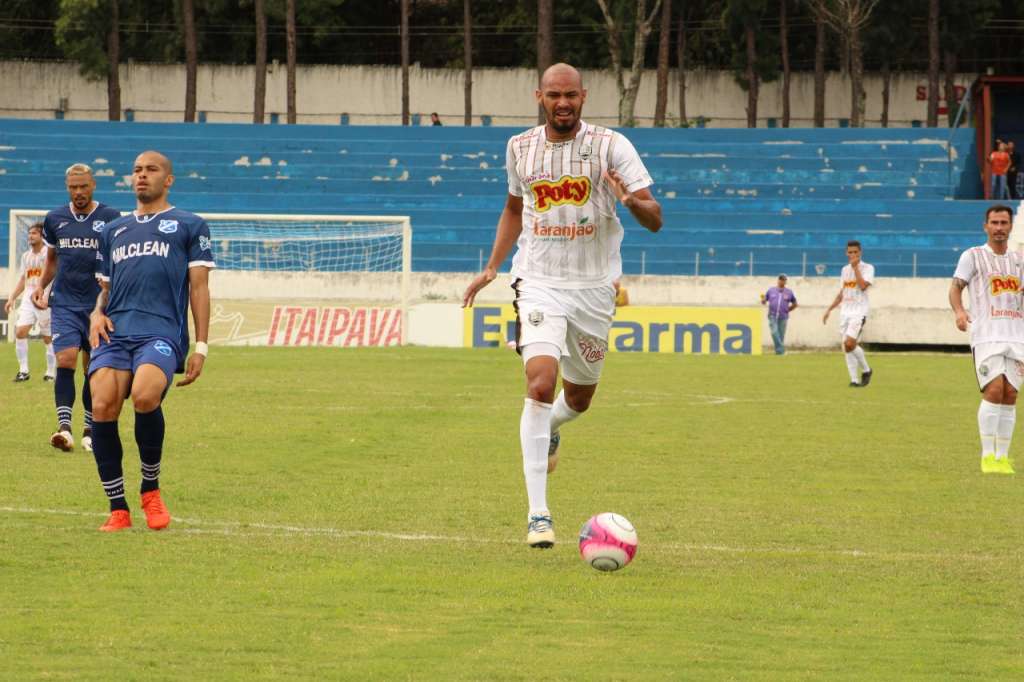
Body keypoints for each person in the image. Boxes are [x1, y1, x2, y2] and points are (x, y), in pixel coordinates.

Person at [461, 63, 662, 549]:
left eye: (570, 94)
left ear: (584, 97)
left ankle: (553, 427)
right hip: (538, 282)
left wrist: (629, 201)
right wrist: (492, 266)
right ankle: (538, 515)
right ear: (540, 97)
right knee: (540, 382)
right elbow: (514, 208)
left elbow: (655, 217)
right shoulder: (518, 148)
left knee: (578, 399)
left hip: (594, 289)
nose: (563, 102)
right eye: (554, 94)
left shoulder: (612, 147)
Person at [87, 150, 215, 531]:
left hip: (160, 331)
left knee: (145, 395)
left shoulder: (189, 225)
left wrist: (202, 347)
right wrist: (96, 312)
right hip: (115, 332)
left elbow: (199, 287)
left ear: (169, 179)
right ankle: (118, 508)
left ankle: (151, 490)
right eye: (137, 170)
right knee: (103, 405)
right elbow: (105, 289)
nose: (142, 176)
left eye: (151, 170)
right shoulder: (113, 230)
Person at [33, 163, 122, 452]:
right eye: (73, 187)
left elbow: (117, 260)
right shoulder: (54, 218)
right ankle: (64, 429)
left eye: (83, 186)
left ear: (93, 184)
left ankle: (89, 430)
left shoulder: (110, 217)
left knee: (93, 368)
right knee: (66, 360)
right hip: (65, 303)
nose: (79, 192)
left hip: (98, 306)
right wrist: (41, 286)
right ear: (67, 187)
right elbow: (52, 259)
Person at [949, 205, 1023, 475]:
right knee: (994, 390)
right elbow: (956, 286)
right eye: (994, 222)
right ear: (986, 226)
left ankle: (1002, 457)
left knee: (1011, 393)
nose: (999, 227)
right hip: (987, 336)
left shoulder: (1019, 260)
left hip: (1017, 337)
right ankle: (987, 455)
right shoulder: (973, 256)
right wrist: (959, 311)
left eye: (1004, 222)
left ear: (1011, 226)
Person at [5, 223, 56, 382]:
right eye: (29, 233)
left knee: (48, 337)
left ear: (42, 236)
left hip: (44, 298)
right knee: (20, 332)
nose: (30, 236)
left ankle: (50, 373)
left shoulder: (48, 254)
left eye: (34, 233)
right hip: (28, 297)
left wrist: (49, 297)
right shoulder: (26, 256)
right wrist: (12, 297)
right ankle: (23, 371)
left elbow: (55, 275)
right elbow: (23, 279)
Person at [822, 241, 874, 387]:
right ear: (846, 253)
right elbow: (842, 293)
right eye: (850, 252)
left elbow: (863, 286)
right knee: (847, 347)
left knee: (849, 343)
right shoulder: (844, 270)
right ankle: (854, 380)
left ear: (860, 252)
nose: (852, 255)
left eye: (855, 252)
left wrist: (856, 268)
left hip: (859, 311)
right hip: (845, 311)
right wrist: (829, 309)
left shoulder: (868, 268)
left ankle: (866, 370)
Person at [760, 273, 797, 355]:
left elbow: (795, 304)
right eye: (780, 279)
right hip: (772, 315)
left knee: (781, 335)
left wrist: (788, 310)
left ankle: (779, 353)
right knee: (774, 332)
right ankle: (782, 350)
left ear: (785, 281)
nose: (781, 281)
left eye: (783, 279)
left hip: (783, 317)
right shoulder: (771, 290)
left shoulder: (789, 292)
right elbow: (764, 301)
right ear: (778, 280)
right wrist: (763, 300)